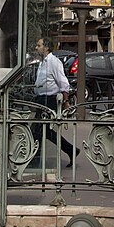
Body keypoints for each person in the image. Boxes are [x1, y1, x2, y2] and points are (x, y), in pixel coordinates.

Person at [32, 37, 78, 167]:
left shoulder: (53, 62)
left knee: (37, 130)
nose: (36, 48)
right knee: (43, 131)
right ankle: (71, 150)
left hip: (49, 99)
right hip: (41, 99)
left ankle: (35, 163)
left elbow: (63, 82)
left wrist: (66, 101)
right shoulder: (43, 62)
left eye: (39, 45)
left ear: (46, 47)